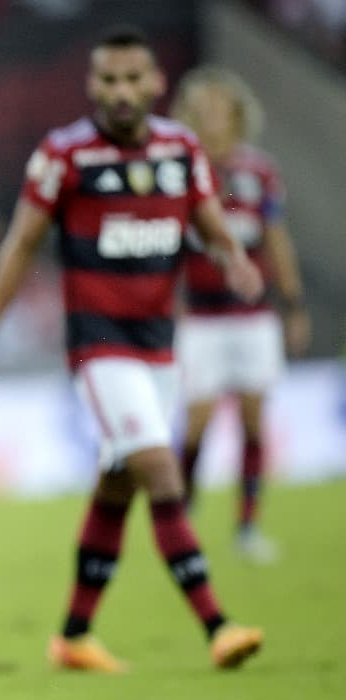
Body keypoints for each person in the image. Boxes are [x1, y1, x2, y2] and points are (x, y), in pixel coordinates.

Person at [0, 29, 266, 673]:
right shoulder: (65, 155)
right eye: (109, 80)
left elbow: (207, 215)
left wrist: (232, 255)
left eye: (132, 79)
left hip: (160, 350)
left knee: (118, 482)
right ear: (92, 84)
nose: (121, 92)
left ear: (155, 84)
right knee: (159, 468)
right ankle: (217, 624)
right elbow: (19, 245)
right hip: (100, 350)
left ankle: (75, 634)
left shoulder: (180, 149)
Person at [169, 66, 311, 564]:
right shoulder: (179, 173)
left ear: (236, 115)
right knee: (198, 421)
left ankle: (248, 527)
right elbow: (167, 248)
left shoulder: (260, 171)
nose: (212, 118)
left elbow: (276, 239)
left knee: (253, 418)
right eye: (203, 109)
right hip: (201, 318)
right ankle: (181, 521)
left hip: (254, 315)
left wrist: (293, 303)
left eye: (220, 109)